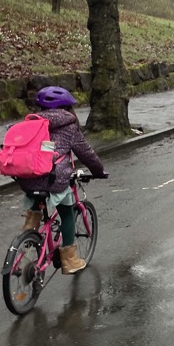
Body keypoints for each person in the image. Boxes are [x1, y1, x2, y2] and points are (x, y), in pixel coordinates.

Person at [16, 86, 108, 274]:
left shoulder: (32, 123)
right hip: (54, 180)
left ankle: (29, 228)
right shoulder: (68, 126)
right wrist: (98, 171)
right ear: (67, 108)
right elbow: (86, 153)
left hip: (28, 178)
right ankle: (70, 261)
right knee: (66, 214)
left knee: (37, 196)